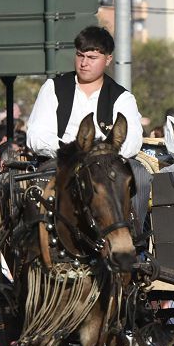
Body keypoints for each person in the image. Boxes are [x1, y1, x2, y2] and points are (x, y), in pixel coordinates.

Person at [25, 26, 149, 235]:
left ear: (108, 59)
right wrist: (74, 153)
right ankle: (35, 242)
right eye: (80, 55)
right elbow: (36, 135)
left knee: (140, 174)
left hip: (105, 164)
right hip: (61, 161)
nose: (84, 63)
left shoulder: (122, 97)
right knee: (38, 182)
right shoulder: (53, 88)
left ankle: (135, 237)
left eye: (92, 57)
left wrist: (99, 155)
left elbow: (132, 141)